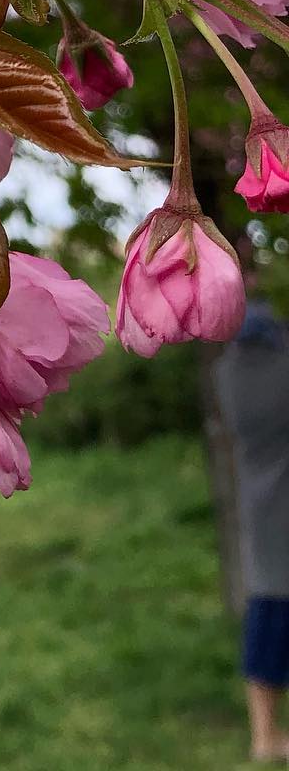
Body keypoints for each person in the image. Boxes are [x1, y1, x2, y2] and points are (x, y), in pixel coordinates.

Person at [216, 245, 289, 764]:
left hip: (262, 510)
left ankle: (265, 735)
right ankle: (265, 738)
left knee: (268, 615)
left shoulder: (227, 371)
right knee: (271, 619)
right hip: (275, 511)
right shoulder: (274, 363)